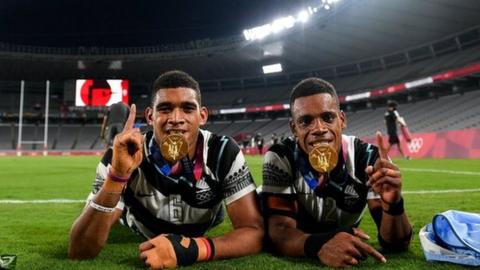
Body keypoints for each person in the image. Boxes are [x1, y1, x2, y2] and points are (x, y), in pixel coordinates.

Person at [69, 70, 264, 269]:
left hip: (206, 219)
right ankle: (119, 206)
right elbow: (79, 250)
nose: (176, 118)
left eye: (188, 108)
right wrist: (117, 176)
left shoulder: (223, 151)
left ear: (202, 115)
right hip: (140, 225)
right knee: (117, 211)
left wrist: (193, 249)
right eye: (165, 109)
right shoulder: (123, 154)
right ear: (150, 116)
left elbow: (254, 232)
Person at [260, 78, 412, 268]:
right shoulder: (280, 156)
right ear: (294, 128)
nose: (319, 129)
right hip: (299, 228)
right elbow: (280, 233)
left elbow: (396, 244)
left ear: (342, 120)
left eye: (328, 117)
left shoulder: (369, 159)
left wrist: (393, 203)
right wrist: (320, 244)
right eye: (306, 121)